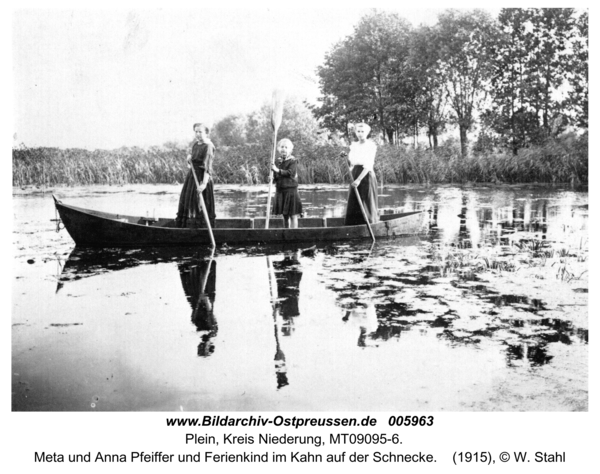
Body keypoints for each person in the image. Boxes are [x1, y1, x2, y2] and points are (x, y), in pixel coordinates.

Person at [176, 123, 216, 228]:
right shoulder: (195, 144)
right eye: (196, 132)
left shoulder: (208, 146)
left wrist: (203, 184)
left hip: (202, 179)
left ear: (206, 133)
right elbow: (192, 165)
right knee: (188, 202)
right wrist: (189, 160)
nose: (197, 134)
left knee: (198, 205)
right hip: (192, 178)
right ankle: (186, 228)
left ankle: (199, 229)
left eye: (200, 132)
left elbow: (207, 168)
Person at [342, 123, 379, 226]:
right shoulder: (354, 145)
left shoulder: (370, 146)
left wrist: (358, 180)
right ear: (355, 132)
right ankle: (353, 226)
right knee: (354, 201)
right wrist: (349, 168)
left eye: (363, 131)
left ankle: (369, 224)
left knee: (365, 200)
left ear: (367, 133)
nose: (360, 134)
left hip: (366, 175)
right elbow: (352, 163)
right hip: (354, 173)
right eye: (358, 131)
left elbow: (368, 165)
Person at [271, 138, 303, 229]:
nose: (284, 149)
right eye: (282, 147)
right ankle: (286, 232)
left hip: (291, 191)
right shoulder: (278, 162)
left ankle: (294, 233)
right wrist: (272, 177)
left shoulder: (293, 161)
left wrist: (277, 170)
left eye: (286, 147)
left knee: (293, 214)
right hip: (281, 191)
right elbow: (277, 176)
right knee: (285, 215)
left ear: (290, 150)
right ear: (278, 149)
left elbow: (290, 173)